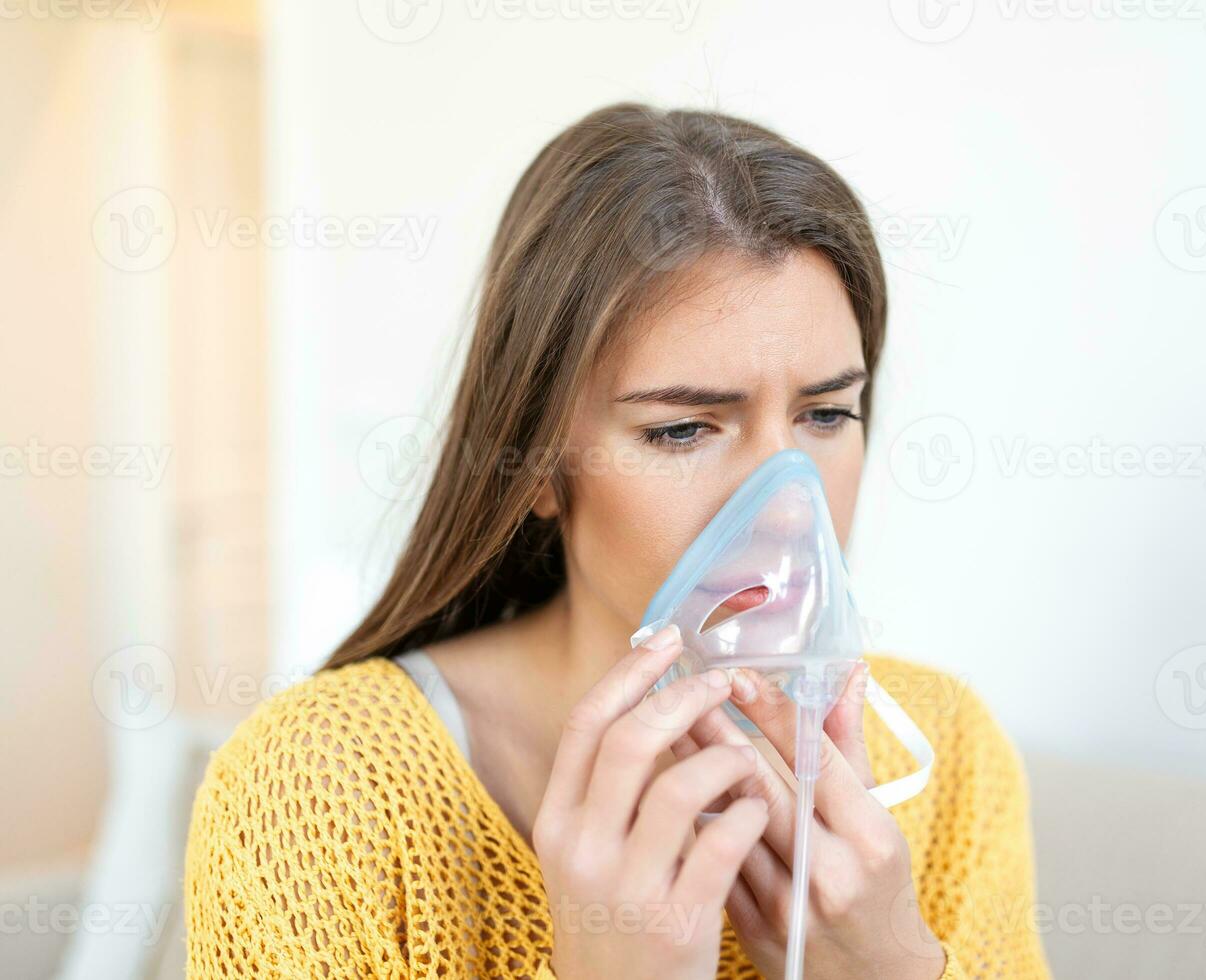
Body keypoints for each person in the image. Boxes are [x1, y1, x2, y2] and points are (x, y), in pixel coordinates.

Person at [184, 102, 1051, 980]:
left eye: (826, 413)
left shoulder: (950, 758)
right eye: (683, 430)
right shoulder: (318, 790)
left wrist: (891, 967)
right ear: (535, 468)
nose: (789, 508)